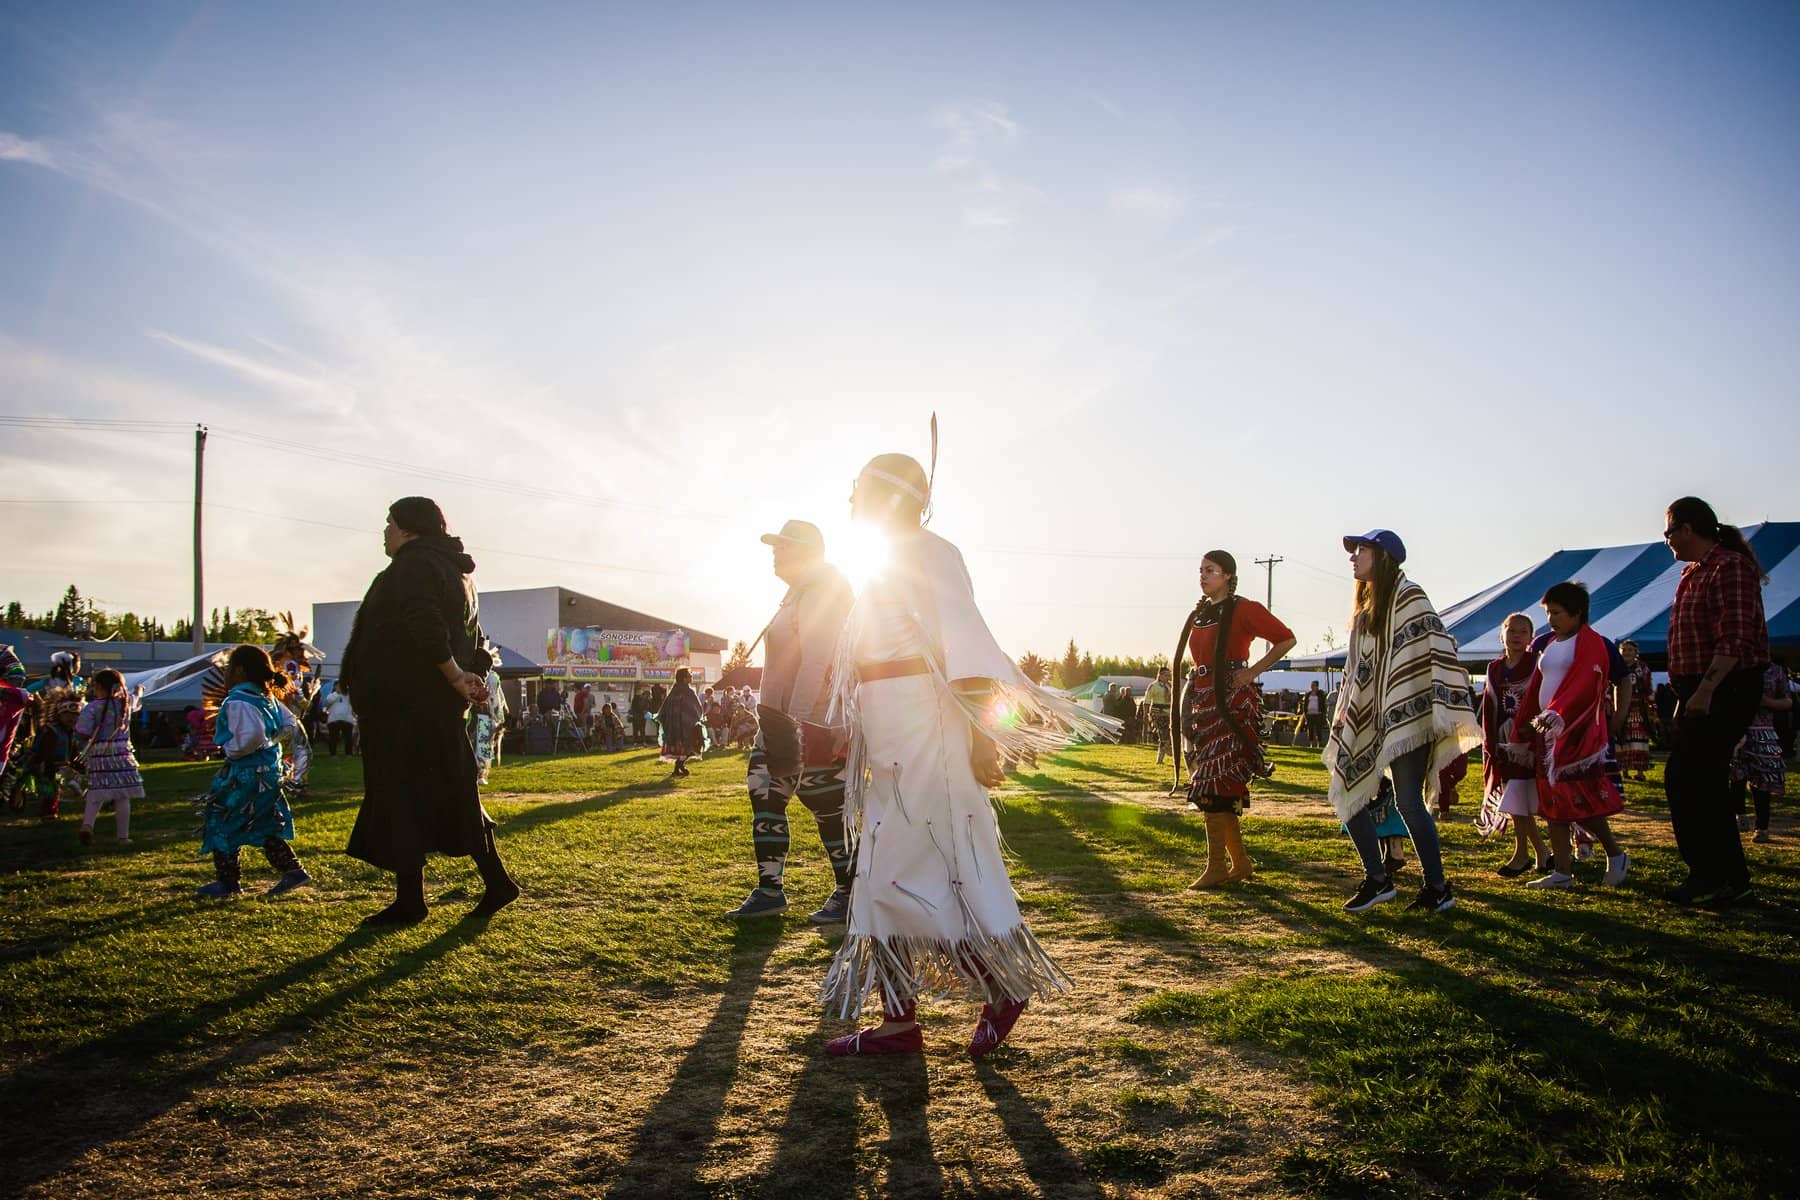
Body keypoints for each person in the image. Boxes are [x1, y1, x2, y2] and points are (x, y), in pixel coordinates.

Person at [820, 449, 1116, 1059]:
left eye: (858, 488)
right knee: (880, 874)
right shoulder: (881, 560)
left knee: (927, 868)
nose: (849, 499)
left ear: (890, 493)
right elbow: (877, 654)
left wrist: (982, 735)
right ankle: (899, 1023)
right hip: (892, 731)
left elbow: (967, 648)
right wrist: (858, 725)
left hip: (930, 732)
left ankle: (997, 983)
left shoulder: (932, 553)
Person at [339, 496, 519, 925]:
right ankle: (491, 884)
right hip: (428, 703)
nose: (384, 532)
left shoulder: (415, 566)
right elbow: (473, 636)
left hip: (405, 704)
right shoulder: (454, 572)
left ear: (409, 528)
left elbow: (427, 626)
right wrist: (469, 672)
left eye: (389, 523)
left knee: (403, 793)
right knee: (446, 793)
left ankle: (414, 901)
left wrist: (459, 676)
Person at [1325, 530, 1480, 914]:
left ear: (1384, 557)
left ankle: (1437, 887)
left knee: (1410, 803)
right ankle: (1377, 880)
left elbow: (1438, 649)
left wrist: (1422, 701)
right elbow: (1357, 672)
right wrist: (1347, 708)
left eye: (1361, 550)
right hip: (1370, 720)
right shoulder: (1363, 613)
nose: (1353, 558)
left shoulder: (1410, 598)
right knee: (1348, 793)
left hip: (1409, 717)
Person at [725, 519, 856, 923]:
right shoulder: (798, 593)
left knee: (827, 804)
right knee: (765, 793)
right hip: (779, 720)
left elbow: (819, 660)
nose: (776, 553)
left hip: (809, 719)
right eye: (775, 547)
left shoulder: (821, 592)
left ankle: (850, 891)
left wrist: (801, 725)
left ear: (807, 552)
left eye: (784, 546)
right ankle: (770, 890)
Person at [1661, 497, 1771, 906]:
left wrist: (1707, 689)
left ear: (1688, 529)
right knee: (1687, 779)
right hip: (1699, 689)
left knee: (1699, 778)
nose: (1667, 541)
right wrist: (1684, 695)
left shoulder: (1729, 567)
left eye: (1669, 532)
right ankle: (1710, 873)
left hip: (1728, 685)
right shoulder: (1692, 573)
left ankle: (1723, 876)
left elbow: (1736, 635)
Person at [1167, 550, 1296, 888]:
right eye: (1200, 570)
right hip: (1205, 703)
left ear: (1227, 575)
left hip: (1232, 703)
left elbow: (1286, 638)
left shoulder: (1244, 609)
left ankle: (1218, 867)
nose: (1203, 576)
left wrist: (1251, 672)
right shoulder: (1201, 614)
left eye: (1210, 570)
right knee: (1215, 784)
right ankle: (1238, 863)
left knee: (1215, 783)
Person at [1513, 584, 1629, 889]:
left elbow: (1584, 686)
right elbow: (1536, 684)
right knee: (1552, 800)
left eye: (1557, 612)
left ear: (1578, 613)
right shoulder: (1547, 643)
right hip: (1546, 733)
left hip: (1575, 732)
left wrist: (1557, 713)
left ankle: (1615, 854)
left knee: (1579, 799)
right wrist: (1525, 723)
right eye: (1548, 612)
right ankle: (1562, 871)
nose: (1551, 618)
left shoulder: (1593, 644)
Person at [195, 646, 313, 899]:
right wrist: (272, 745)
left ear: (238, 671)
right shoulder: (265, 697)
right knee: (263, 821)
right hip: (267, 771)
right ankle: (293, 871)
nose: (224, 674)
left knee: (222, 821)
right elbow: (289, 724)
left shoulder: (238, 700)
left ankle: (228, 882)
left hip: (245, 773)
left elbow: (251, 737)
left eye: (227, 669)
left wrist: (232, 750)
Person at [1478, 613, 1551, 877]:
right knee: (1516, 797)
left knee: (1528, 798)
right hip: (1505, 742)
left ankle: (1541, 853)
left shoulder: (1538, 664)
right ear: (1502, 634)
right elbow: (1489, 707)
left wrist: (1534, 734)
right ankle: (1531, 853)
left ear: (1531, 637)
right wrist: (1491, 742)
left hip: (1532, 741)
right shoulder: (1494, 668)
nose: (1516, 636)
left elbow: (1545, 700)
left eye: (1523, 631)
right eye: (1511, 630)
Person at [74, 669, 143, 846]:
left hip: (99, 753)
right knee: (122, 796)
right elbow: (136, 699)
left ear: (98, 687)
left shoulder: (93, 707)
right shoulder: (125, 705)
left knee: (95, 791)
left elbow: (82, 731)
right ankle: (122, 836)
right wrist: (138, 691)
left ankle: (87, 825)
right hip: (121, 754)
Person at [1730, 660, 1789, 843]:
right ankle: (1740, 816)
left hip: (1763, 731)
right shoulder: (1736, 667)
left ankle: (1762, 827)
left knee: (1763, 782)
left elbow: (1787, 701)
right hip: (1737, 728)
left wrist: (1767, 701)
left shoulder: (1776, 671)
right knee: (1736, 776)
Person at [1618, 640, 1655, 780]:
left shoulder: (1642, 668)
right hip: (1620, 706)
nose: (1627, 652)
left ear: (1636, 653)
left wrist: (1650, 705)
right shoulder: (1617, 667)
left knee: (1639, 736)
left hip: (1638, 707)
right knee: (1622, 737)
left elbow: (1648, 688)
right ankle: (1624, 770)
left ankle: (1640, 772)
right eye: (1624, 650)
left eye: (1630, 650)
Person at [657, 668, 704, 777]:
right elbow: (696, 707)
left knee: (682, 749)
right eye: (689, 675)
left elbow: (665, 708)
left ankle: (678, 768)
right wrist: (697, 717)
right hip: (686, 726)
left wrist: (667, 721)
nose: (691, 677)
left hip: (674, 727)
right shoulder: (688, 691)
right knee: (690, 747)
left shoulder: (674, 690)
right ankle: (679, 766)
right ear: (684, 678)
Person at [1145, 667, 1173, 764]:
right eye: (1165, 675)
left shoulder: (1169, 686)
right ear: (1160, 675)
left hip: (1169, 712)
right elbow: (1147, 701)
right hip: (1157, 713)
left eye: (1168, 675)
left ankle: (1159, 760)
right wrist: (1146, 714)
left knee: (1165, 735)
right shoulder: (1153, 686)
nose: (1168, 677)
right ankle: (1168, 750)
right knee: (1164, 733)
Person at [324, 684, 357, 756]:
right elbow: (328, 702)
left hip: (347, 719)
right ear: (335, 687)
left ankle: (349, 754)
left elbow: (354, 703)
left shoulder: (349, 696)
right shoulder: (331, 695)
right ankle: (333, 754)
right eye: (338, 686)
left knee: (348, 738)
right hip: (334, 719)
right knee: (333, 738)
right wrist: (337, 693)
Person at [1300, 681, 1329, 749]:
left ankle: (1319, 743)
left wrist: (1322, 712)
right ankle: (1311, 743)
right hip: (1309, 714)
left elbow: (1323, 704)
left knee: (1318, 729)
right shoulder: (1308, 694)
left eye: (1313, 685)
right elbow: (1305, 704)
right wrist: (1305, 712)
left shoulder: (1320, 694)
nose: (1312, 687)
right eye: (1311, 685)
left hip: (1318, 714)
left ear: (1317, 686)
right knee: (1310, 729)